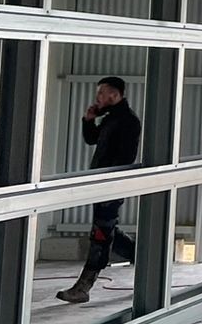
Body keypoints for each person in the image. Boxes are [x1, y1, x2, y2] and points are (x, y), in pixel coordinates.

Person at [56, 77, 143, 304]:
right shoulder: (111, 118)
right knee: (108, 230)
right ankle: (145, 258)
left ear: (114, 95)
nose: (98, 98)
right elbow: (91, 139)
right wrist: (88, 120)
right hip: (101, 185)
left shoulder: (128, 121)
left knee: (101, 234)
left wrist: (111, 183)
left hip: (110, 186)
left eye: (101, 94)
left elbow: (126, 158)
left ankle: (83, 287)